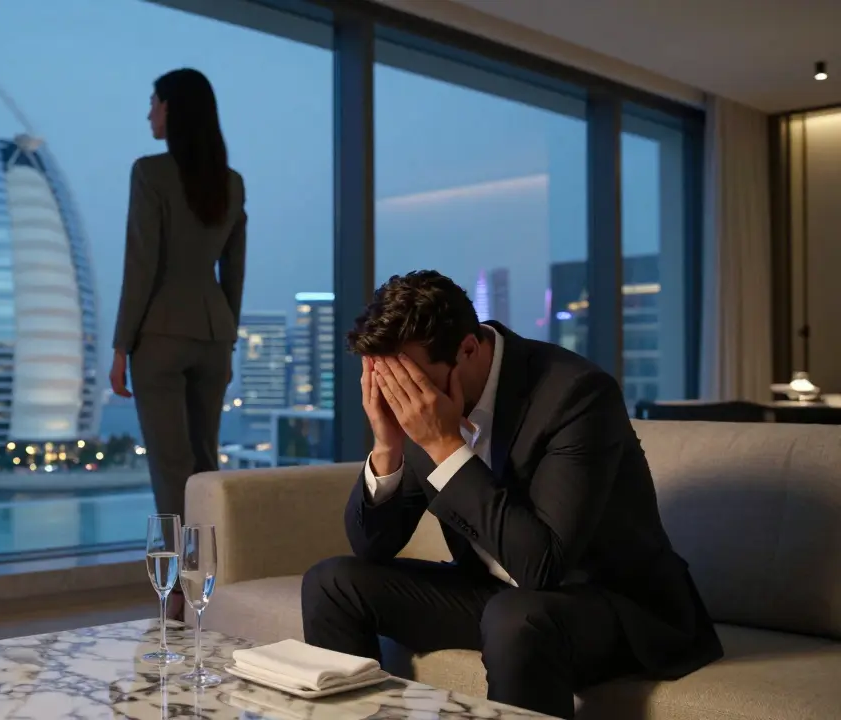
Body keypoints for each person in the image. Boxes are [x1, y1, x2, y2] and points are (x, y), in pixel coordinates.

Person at [301, 270, 722, 719]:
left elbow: (543, 566)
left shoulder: (576, 394)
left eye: (412, 382)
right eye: (388, 381)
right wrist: (388, 446)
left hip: (610, 604)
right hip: (498, 597)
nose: (403, 399)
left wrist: (445, 444)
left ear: (466, 349)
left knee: (516, 617)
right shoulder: (419, 406)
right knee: (333, 583)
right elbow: (372, 546)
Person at [110, 69, 246, 617]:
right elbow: (233, 272)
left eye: (153, 103)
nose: (149, 113)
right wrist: (226, 332)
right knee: (205, 468)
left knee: (172, 470)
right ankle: (210, 594)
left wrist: (122, 346)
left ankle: (174, 608)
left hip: (161, 336)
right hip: (214, 334)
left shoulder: (150, 173)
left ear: (172, 109)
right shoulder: (230, 183)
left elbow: (141, 263)